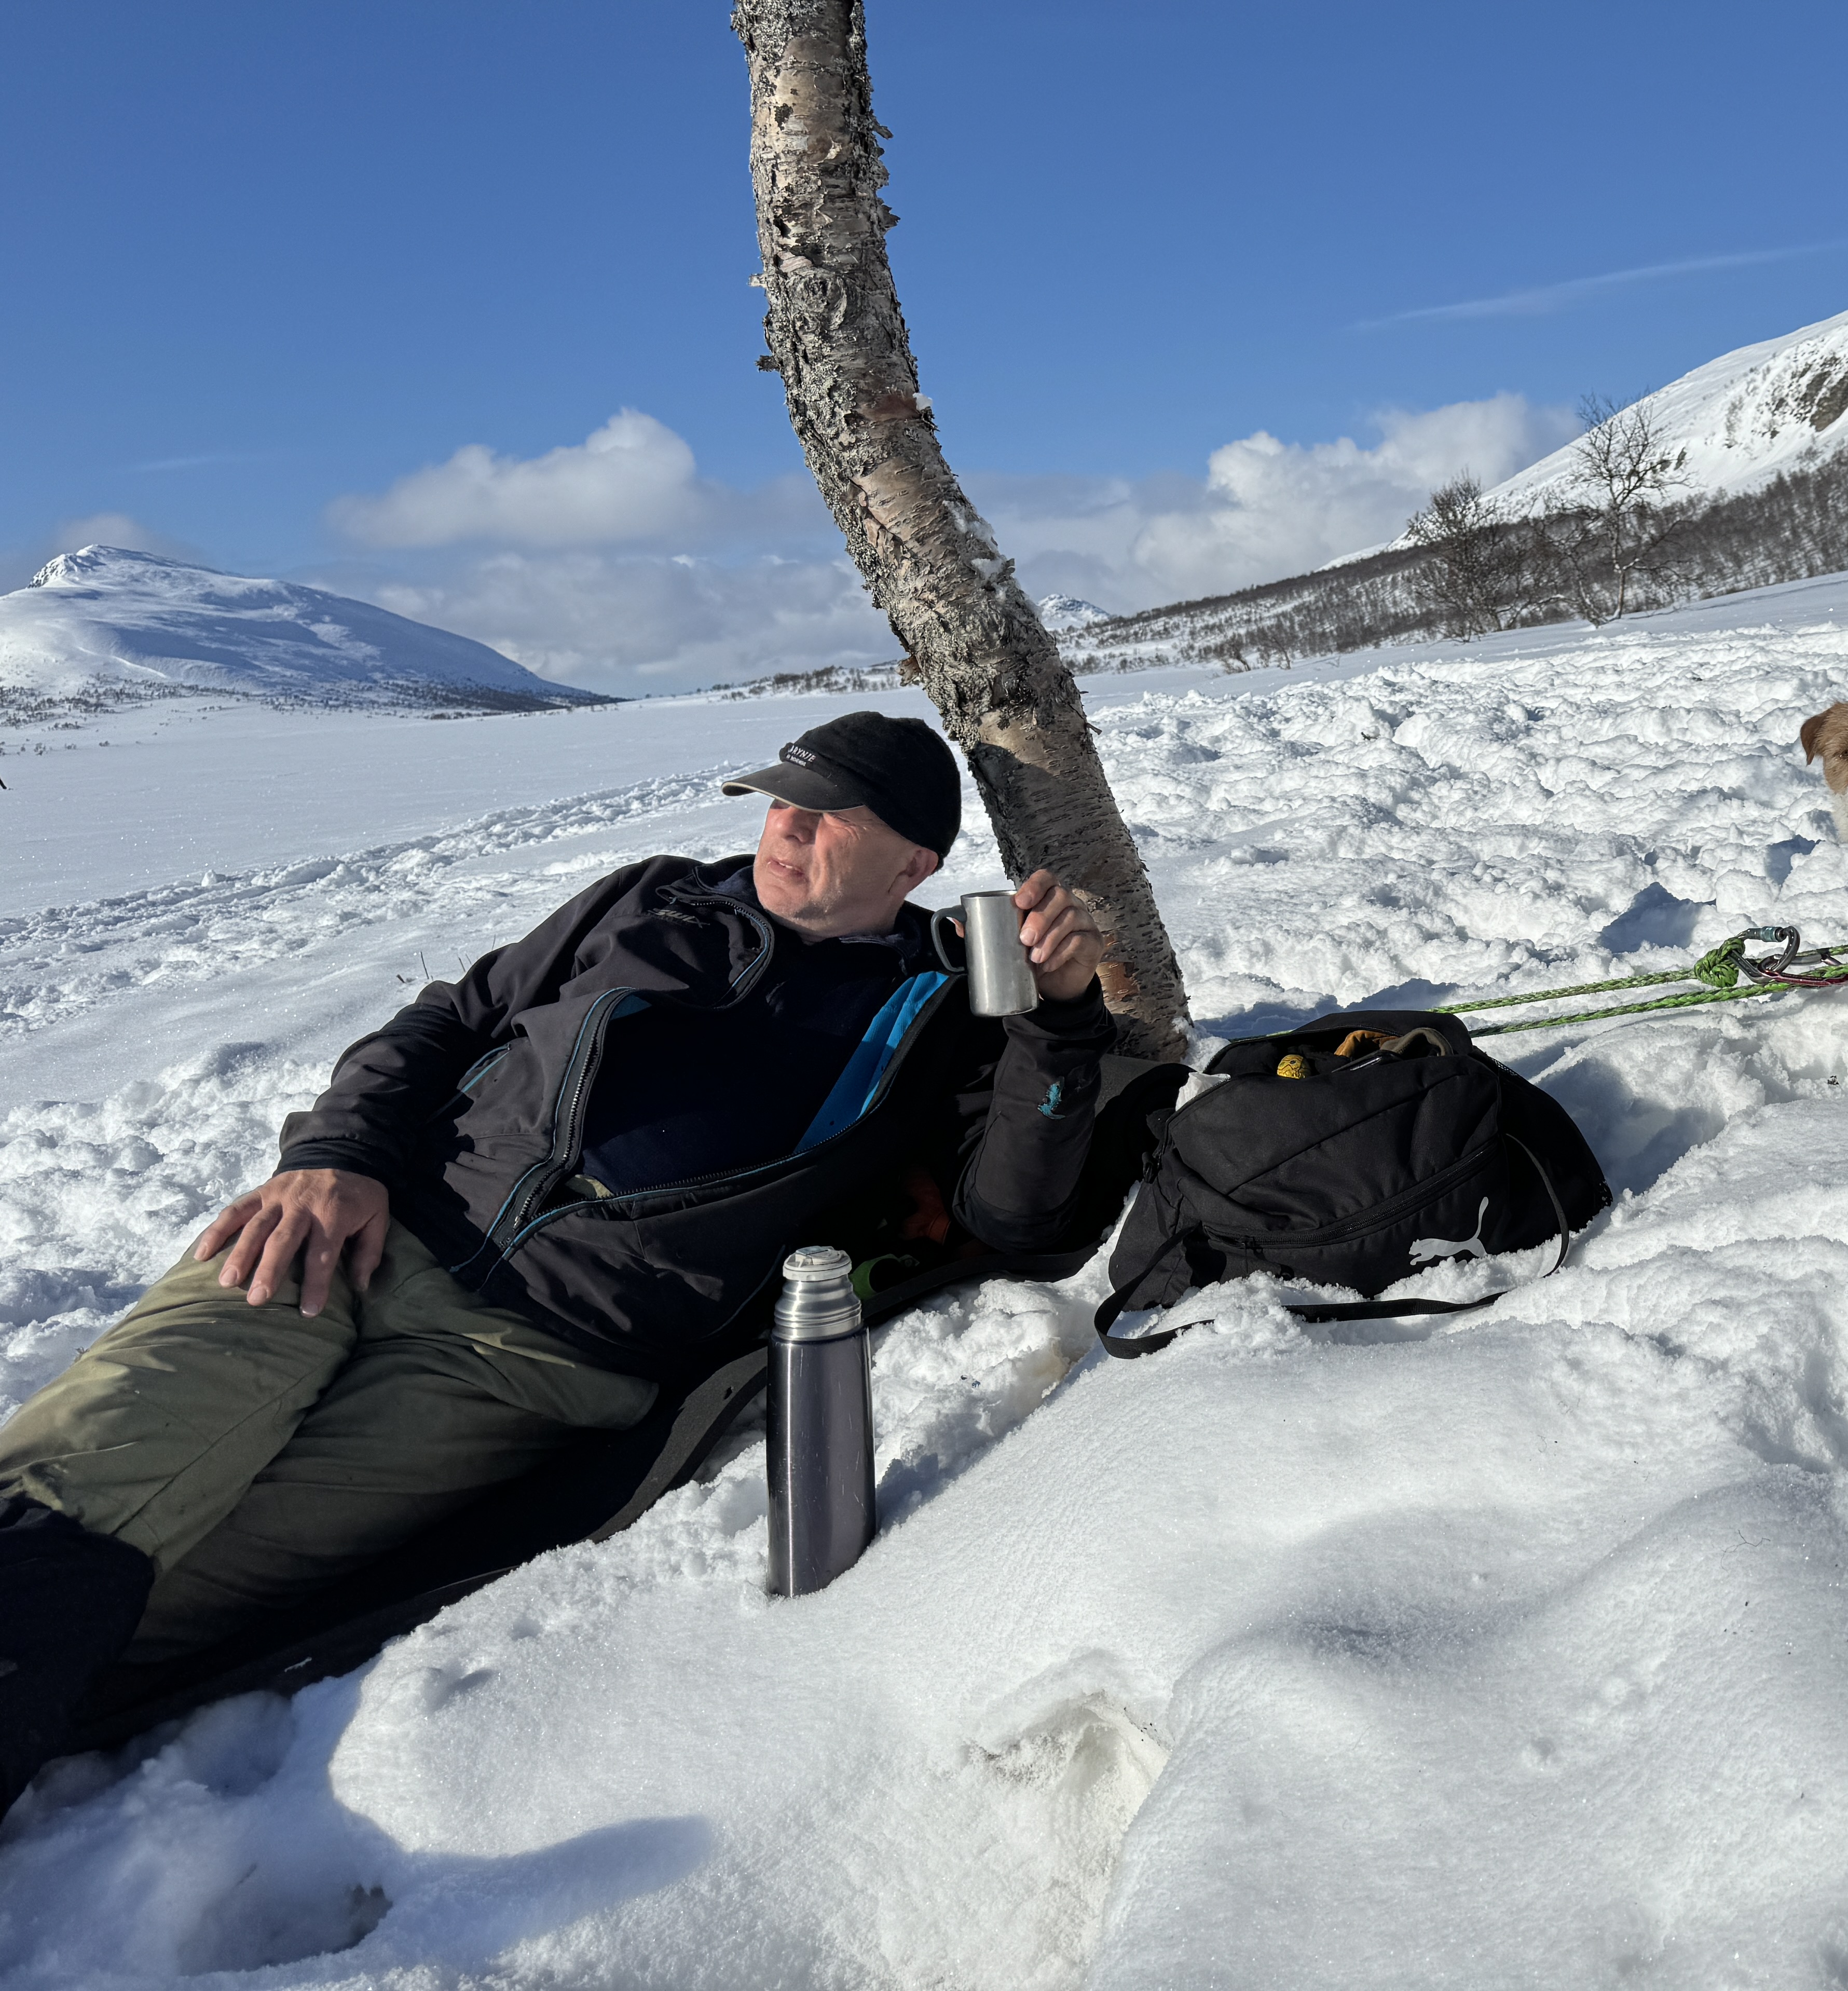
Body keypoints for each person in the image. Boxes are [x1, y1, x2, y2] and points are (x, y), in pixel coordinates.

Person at [0, 711, 1116, 1810]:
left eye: (830, 816)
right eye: (782, 802)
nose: (787, 828)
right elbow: (451, 1019)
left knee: (199, 1583)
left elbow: (1014, 1214)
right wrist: (336, 1154)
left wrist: (1058, 1023)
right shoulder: (655, 897)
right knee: (85, 1455)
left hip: (532, 1354)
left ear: (916, 862)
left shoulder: (938, 1008)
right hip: (361, 1232)